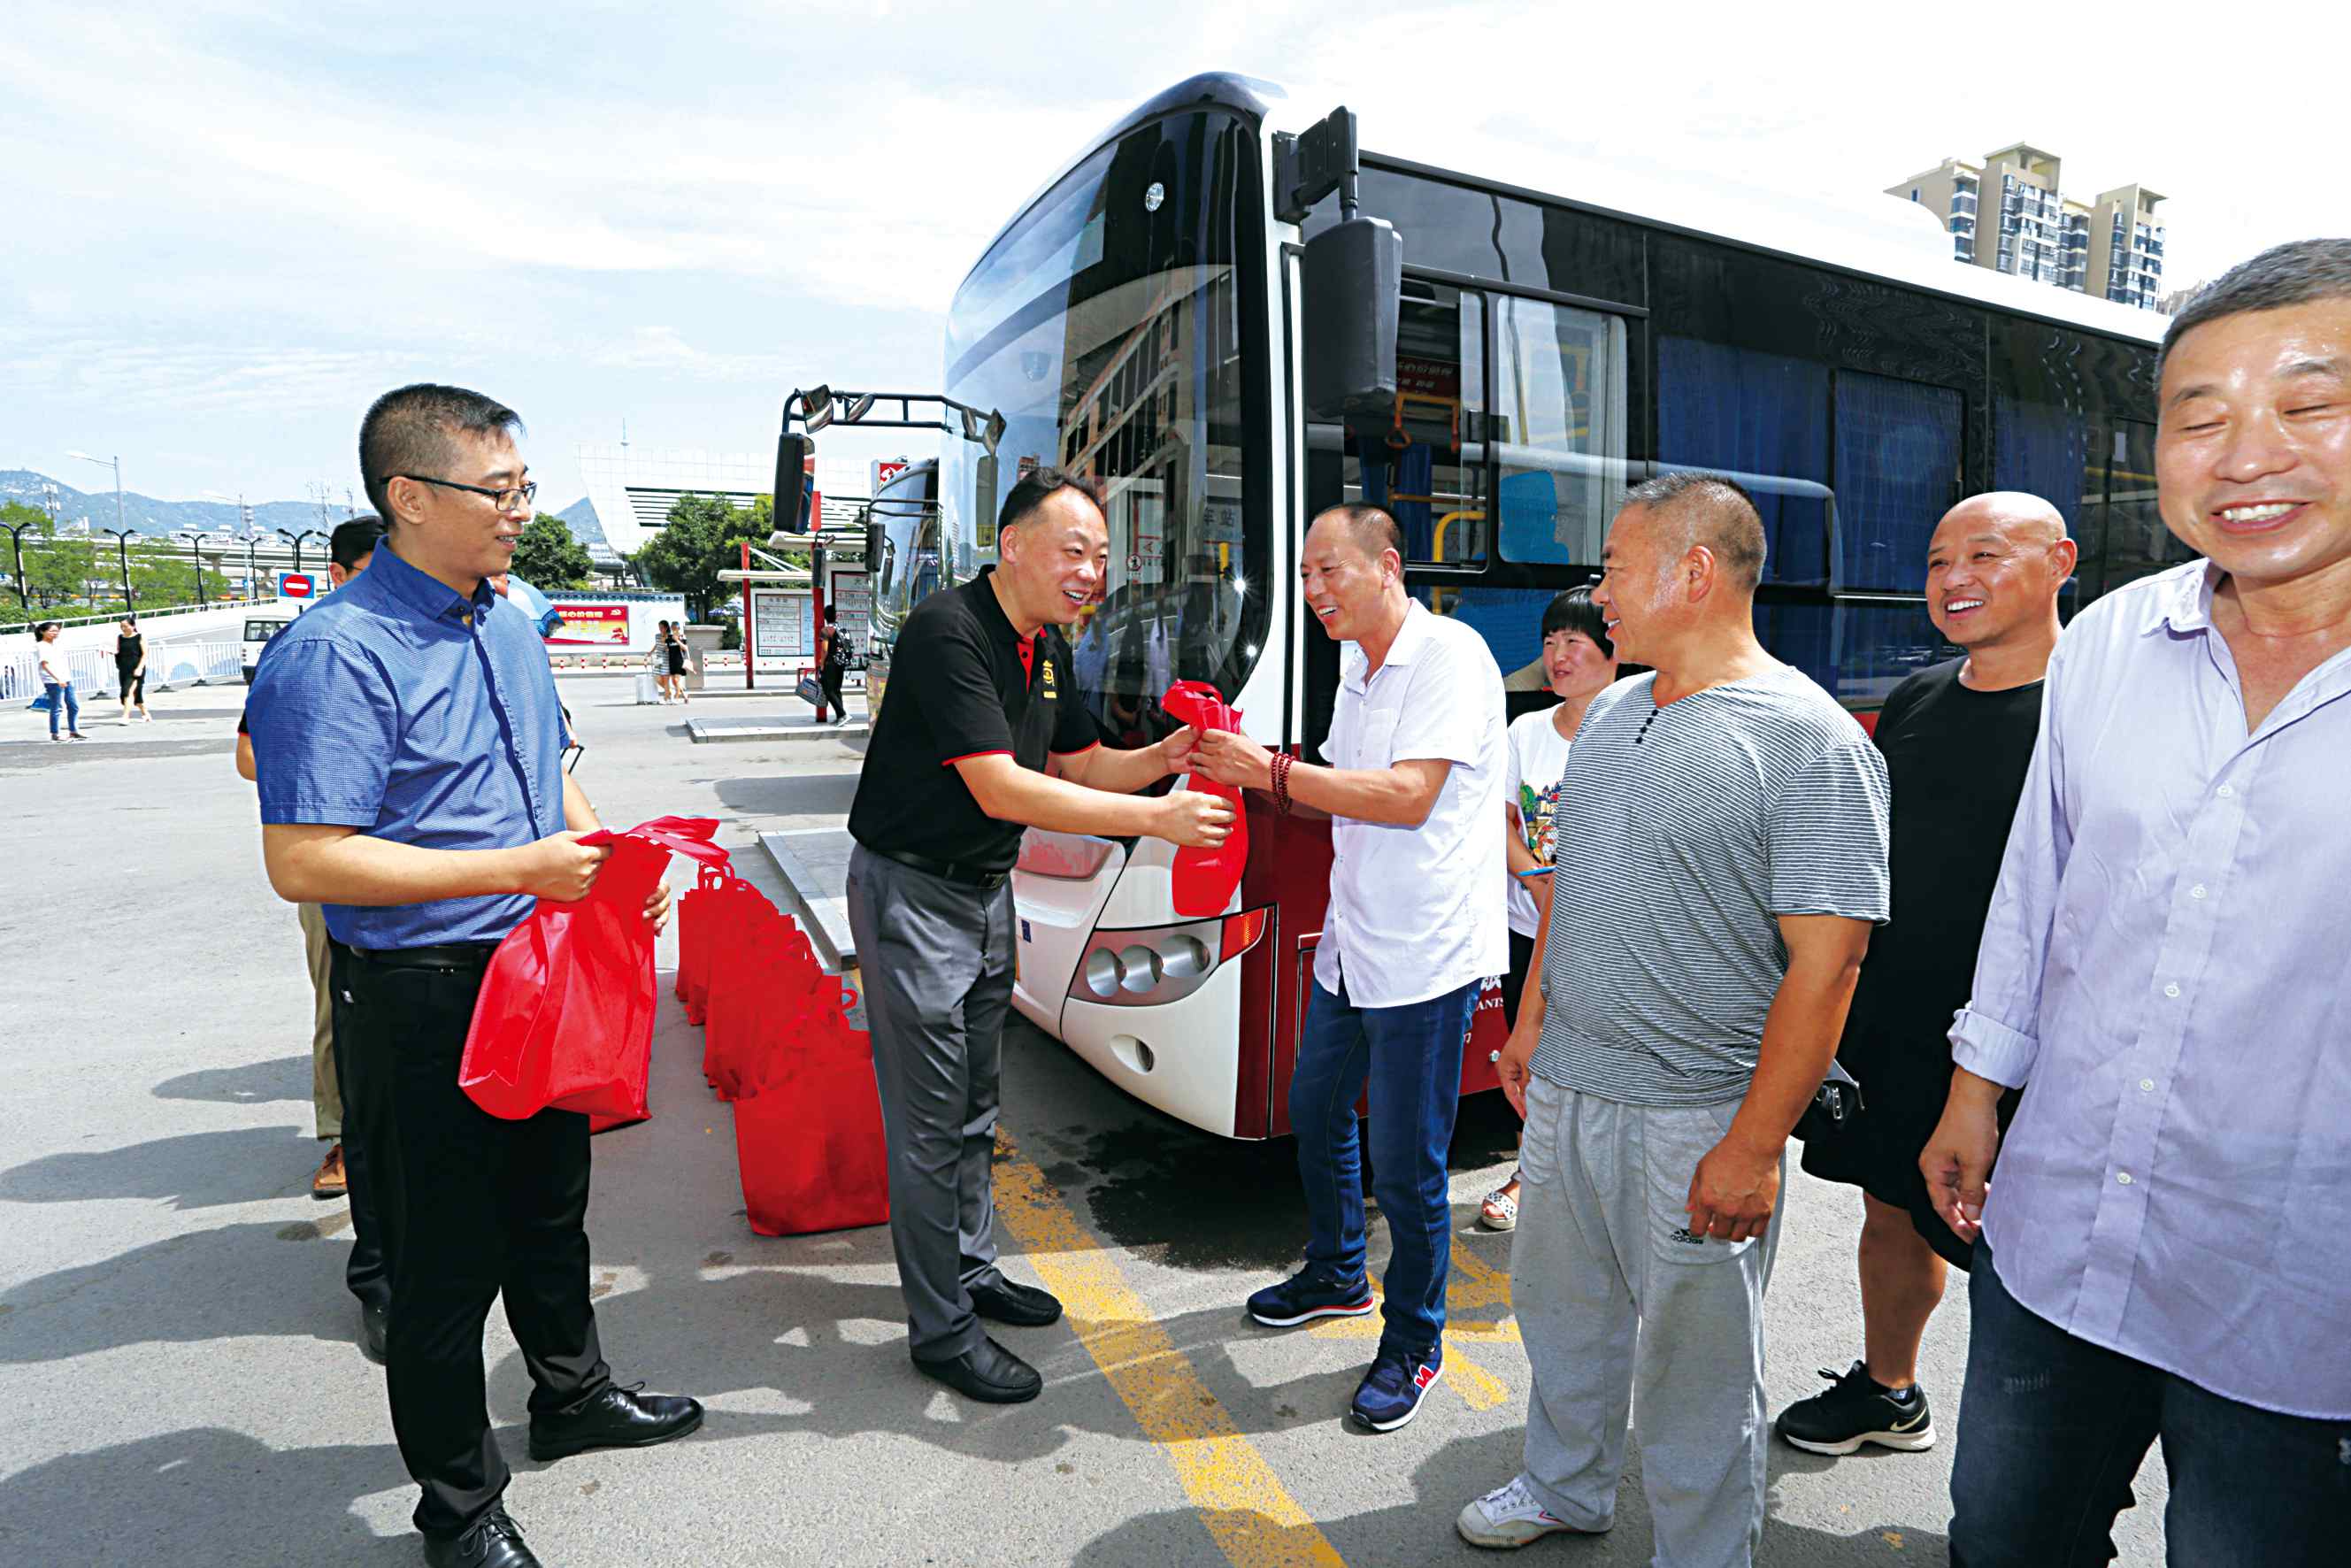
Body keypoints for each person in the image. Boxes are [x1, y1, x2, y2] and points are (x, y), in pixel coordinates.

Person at [1922, 240, 2351, 1567]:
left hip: (2300, 1303)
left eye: (2310, 403)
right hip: (2059, 1236)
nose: (2247, 455)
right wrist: (1974, 1089)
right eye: (2198, 417)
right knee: (2003, 1538)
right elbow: (2040, 884)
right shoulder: (2111, 638)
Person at [250, 384, 699, 1568]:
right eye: (497, 490)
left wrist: (603, 861)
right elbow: (304, 859)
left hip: (536, 963)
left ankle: (572, 1393)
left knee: (551, 1209)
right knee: (442, 1264)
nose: (520, 510)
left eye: (524, 487)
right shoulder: (335, 652)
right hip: (422, 991)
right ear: (408, 497)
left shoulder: (503, 619)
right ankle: (459, 1509)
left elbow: (546, 766)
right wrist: (522, 868)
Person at [1457, 473, 1888, 1562]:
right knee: (1563, 1316)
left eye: (1612, 566)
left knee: (1697, 1365)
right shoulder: (1609, 713)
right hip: (1569, 1086)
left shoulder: (1811, 739)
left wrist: (1750, 1146)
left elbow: (1829, 964)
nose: (1596, 592)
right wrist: (1530, 1020)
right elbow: (1572, 882)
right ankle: (1564, 1485)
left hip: (1698, 1112)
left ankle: (1702, 1549)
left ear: (1692, 571)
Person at [844, 465, 1233, 1407]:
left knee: (977, 1105)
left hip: (984, 894)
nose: (1090, 571)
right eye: (1073, 550)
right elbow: (1000, 787)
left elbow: (1079, 764)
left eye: (1100, 555)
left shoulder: (1042, 647)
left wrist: (1166, 759)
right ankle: (941, 1331)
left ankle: (971, 1269)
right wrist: (1158, 821)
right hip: (913, 893)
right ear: (1013, 545)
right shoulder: (948, 629)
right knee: (929, 1124)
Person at [1771, 493, 2072, 1461]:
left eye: (1983, 555)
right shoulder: (1917, 696)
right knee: (1892, 1205)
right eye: (1938, 561)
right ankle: (1887, 1389)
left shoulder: (2094, 708)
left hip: (2031, 1037)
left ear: (2059, 562)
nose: (1953, 579)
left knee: (2019, 1254)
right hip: (1900, 1022)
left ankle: (2028, 1479)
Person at [1196, 503, 1509, 1434]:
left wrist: (1268, 773)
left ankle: (1414, 1340)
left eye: (1328, 569)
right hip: (1355, 938)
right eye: (1304, 574)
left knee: (1407, 1165)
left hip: (1427, 952)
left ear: (1388, 565)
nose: (1313, 590)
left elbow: (1407, 797)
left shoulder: (1449, 656)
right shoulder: (1353, 667)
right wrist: (1246, 769)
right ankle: (1338, 1272)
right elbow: (1344, 793)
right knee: (1318, 1105)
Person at [237, 516, 389, 1344]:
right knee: (343, 1009)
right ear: (339, 573)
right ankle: (340, 1139)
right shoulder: (312, 648)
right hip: (344, 866)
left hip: (444, 879)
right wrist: (339, 767)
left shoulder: (459, 630)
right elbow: (250, 756)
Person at [1481, 587, 1619, 1233]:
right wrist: (1537, 879)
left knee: (1598, 1064)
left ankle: (1593, 1183)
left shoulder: (1636, 730)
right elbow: (1499, 818)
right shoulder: (1526, 730)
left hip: (1603, 939)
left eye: (1574, 641)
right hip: (1527, 924)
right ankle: (1531, 1170)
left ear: (1613, 650)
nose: (1557, 655)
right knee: (1528, 1053)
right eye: (1549, 642)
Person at [35, 621, 85, 742]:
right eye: (52, 631)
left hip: (66, 678)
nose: (55, 633)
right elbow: (45, 665)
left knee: (73, 706)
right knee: (56, 707)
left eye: (57, 631)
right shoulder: (41, 646)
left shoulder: (56, 645)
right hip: (53, 681)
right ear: (42, 632)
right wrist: (58, 679)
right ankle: (55, 734)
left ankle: (73, 731)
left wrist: (65, 677)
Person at [816, 601, 851, 726]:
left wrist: (822, 664)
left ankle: (843, 714)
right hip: (841, 663)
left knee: (828, 690)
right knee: (836, 690)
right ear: (835, 616)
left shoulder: (826, 630)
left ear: (825, 616)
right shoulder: (842, 630)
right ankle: (840, 717)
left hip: (830, 663)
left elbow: (825, 650)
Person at [114, 618, 150, 724]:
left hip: (136, 669)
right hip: (123, 668)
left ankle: (125, 717)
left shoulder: (140, 637)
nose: (123, 628)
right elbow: (118, 651)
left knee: (128, 691)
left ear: (133, 626)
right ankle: (145, 714)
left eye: (125, 626)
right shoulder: (120, 637)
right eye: (121, 626)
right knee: (134, 694)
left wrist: (140, 668)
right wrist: (111, 652)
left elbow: (145, 654)